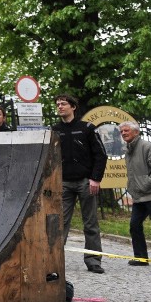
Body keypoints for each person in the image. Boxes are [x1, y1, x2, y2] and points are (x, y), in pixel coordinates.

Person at [53, 94, 108, 273]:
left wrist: (95, 179)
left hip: (86, 181)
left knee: (90, 223)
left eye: (63, 104)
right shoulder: (54, 131)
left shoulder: (87, 128)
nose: (60, 107)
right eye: (58, 104)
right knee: (60, 223)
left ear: (73, 107)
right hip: (64, 183)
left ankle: (93, 260)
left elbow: (101, 155)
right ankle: (54, 260)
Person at [118, 121, 151, 269]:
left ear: (136, 132)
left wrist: (144, 184)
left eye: (126, 131)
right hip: (139, 196)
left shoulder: (147, 146)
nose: (124, 133)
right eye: (122, 132)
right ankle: (141, 258)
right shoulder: (128, 149)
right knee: (134, 226)